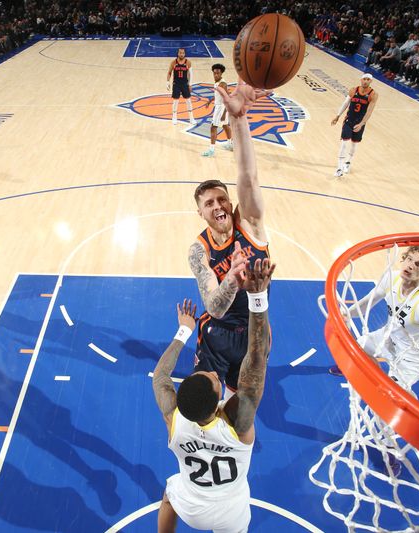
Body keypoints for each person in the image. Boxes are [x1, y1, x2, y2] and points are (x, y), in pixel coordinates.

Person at [153, 257, 274, 532]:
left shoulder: (175, 420)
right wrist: (258, 298)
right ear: (219, 399)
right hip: (231, 514)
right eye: (211, 378)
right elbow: (256, 360)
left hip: (191, 507)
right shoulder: (237, 423)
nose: (212, 373)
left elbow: (160, 377)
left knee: (169, 498)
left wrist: (184, 329)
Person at [188, 81, 272, 397]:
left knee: (241, 405)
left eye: (221, 199)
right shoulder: (199, 249)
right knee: (205, 402)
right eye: (208, 203)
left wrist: (238, 120)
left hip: (255, 331)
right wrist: (232, 280)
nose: (218, 206)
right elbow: (214, 306)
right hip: (217, 332)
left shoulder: (249, 225)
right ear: (200, 213)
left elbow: (248, 177)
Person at [328, 246, 419, 424]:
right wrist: (345, 313)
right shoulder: (392, 278)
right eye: (408, 259)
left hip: (411, 357)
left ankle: (398, 427)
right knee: (352, 349)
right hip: (388, 338)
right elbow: (368, 301)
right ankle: (378, 380)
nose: (410, 266)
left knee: (388, 405)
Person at [331, 73, 379, 177]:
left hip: (359, 122)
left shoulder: (373, 94)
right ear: (361, 80)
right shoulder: (353, 90)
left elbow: (369, 111)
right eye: (364, 79)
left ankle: (348, 162)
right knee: (344, 142)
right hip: (349, 120)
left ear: (371, 81)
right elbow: (345, 103)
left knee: (354, 143)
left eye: (368, 79)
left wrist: (362, 124)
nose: (365, 81)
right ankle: (339, 168)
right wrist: (338, 115)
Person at [201, 64, 233, 157]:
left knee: (213, 127)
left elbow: (227, 99)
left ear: (221, 73)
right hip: (220, 106)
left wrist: (224, 113)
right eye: (214, 73)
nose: (216, 75)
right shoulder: (217, 82)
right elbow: (218, 95)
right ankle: (230, 144)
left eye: (218, 73)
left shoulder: (222, 84)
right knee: (225, 125)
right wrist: (210, 101)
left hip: (221, 108)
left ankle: (211, 150)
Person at [167, 48, 195, 125]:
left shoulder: (188, 62)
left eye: (183, 53)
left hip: (185, 84)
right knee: (175, 101)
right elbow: (169, 72)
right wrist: (167, 82)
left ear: (184, 54)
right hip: (176, 84)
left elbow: (191, 74)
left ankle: (191, 118)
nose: (181, 54)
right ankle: (174, 117)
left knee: (188, 101)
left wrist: (190, 84)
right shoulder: (173, 62)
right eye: (180, 53)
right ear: (178, 53)